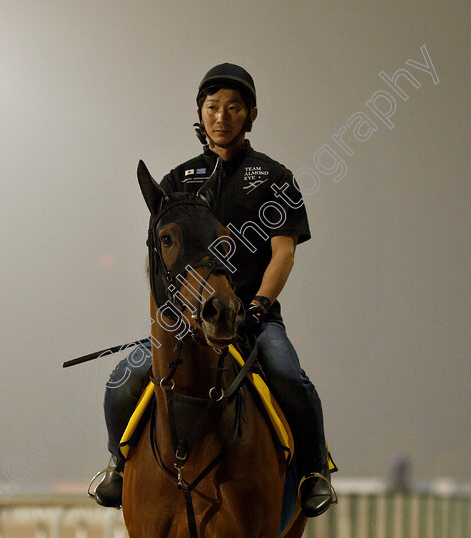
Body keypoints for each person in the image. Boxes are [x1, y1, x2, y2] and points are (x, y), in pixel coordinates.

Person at [91, 63, 336, 517]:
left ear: (252, 114)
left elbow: (283, 253)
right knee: (121, 381)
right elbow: (160, 259)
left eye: (233, 108)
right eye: (212, 108)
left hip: (252, 318)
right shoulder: (175, 182)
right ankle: (118, 467)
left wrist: (260, 306)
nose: (221, 116)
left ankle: (313, 473)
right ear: (200, 114)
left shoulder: (275, 178)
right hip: (186, 322)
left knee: (288, 376)